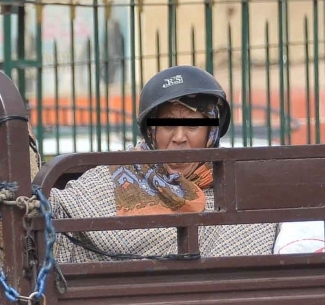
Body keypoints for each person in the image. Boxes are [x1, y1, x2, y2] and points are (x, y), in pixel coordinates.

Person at [50, 66, 278, 262]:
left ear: (211, 134)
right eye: (168, 126)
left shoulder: (239, 189)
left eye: (192, 126)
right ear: (152, 133)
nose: (179, 137)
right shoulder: (111, 177)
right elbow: (53, 209)